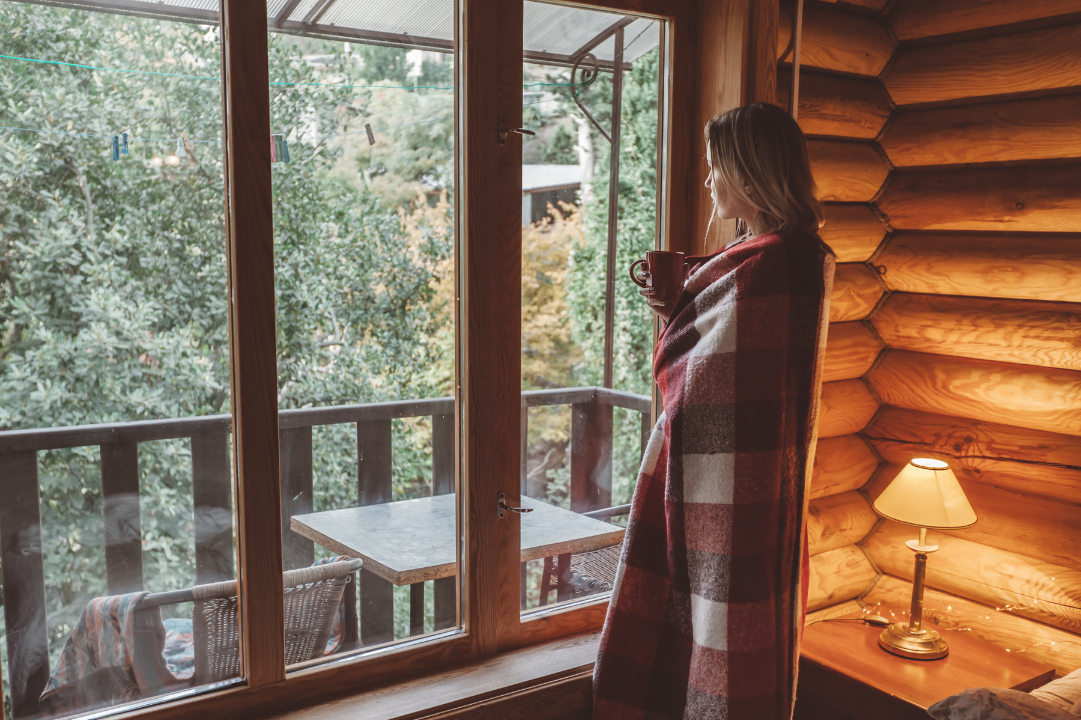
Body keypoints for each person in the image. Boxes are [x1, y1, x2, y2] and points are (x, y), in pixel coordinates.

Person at [593, 103, 835, 720]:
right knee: (694, 610)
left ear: (749, 173)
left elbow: (712, 371)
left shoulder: (781, 262)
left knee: (725, 620)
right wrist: (680, 302)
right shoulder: (760, 255)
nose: (706, 181)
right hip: (720, 471)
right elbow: (715, 343)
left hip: (741, 481)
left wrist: (682, 311)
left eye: (713, 168)